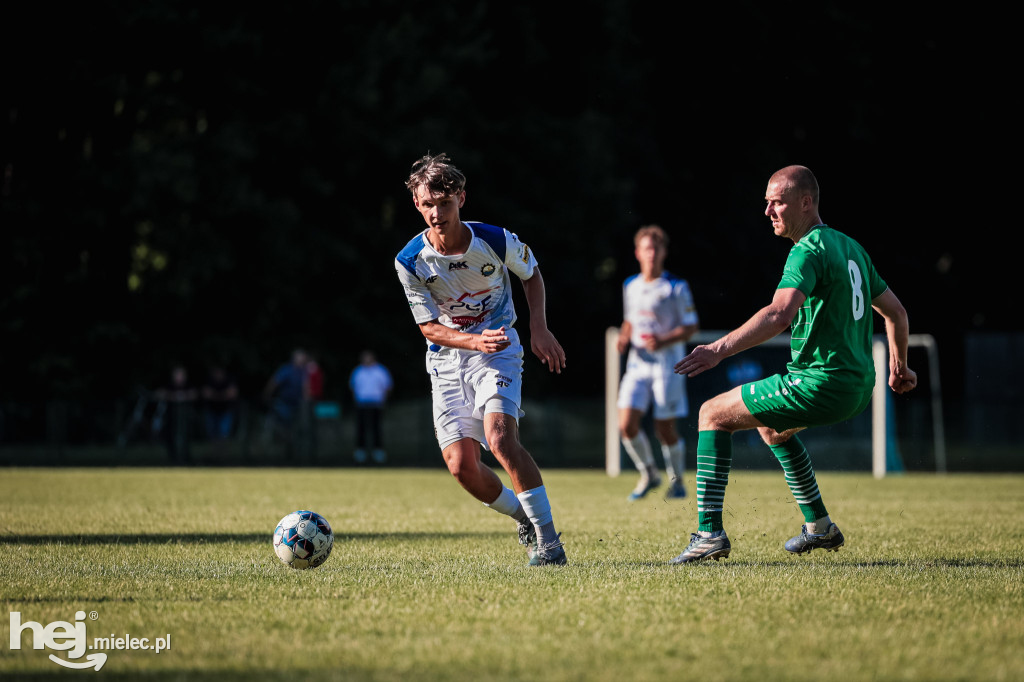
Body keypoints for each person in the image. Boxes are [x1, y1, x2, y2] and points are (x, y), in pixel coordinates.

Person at [669, 165, 917, 564]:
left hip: (821, 382)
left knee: (711, 414)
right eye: (766, 203)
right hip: (858, 387)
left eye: (777, 202)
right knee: (773, 430)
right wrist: (899, 367)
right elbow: (897, 313)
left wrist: (717, 350)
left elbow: (778, 315)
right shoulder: (851, 247)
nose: (768, 211)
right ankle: (819, 527)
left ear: (806, 202)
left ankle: (708, 533)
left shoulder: (808, 250)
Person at [394, 152, 569, 566]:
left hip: (500, 348)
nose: (437, 213)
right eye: (428, 205)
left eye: (445, 203)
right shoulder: (409, 261)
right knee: (461, 467)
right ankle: (522, 517)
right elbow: (428, 327)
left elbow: (532, 274)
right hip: (448, 359)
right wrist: (470, 342)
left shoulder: (494, 240)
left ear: (461, 199)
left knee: (501, 438)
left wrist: (538, 328)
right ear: (416, 205)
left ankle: (549, 543)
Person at [616, 225, 700, 501]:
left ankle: (677, 482)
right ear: (637, 253)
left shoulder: (675, 286)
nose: (651, 254)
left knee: (664, 427)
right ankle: (649, 473)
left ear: (663, 252)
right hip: (638, 364)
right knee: (626, 424)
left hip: (668, 363)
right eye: (646, 248)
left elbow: (690, 327)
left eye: (656, 248)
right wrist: (624, 337)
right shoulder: (631, 285)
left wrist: (662, 340)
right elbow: (630, 320)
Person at [262, 348, 311, 456]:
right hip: (284, 403)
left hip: (298, 405)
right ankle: (284, 445)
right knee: (285, 424)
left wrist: (307, 399)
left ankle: (292, 449)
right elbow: (274, 382)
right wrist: (267, 395)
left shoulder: (304, 371)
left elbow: (305, 387)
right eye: (300, 357)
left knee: (298, 428)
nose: (302, 360)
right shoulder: (286, 370)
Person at [349, 350, 393, 464]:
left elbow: (387, 387)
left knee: (376, 428)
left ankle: (378, 452)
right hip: (362, 404)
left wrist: (383, 400)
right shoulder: (358, 371)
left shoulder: (380, 371)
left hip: (376, 404)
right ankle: (360, 452)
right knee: (361, 428)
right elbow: (353, 387)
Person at [152, 364, 198, 464]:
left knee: (186, 437)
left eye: (181, 375)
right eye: (177, 375)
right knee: (170, 437)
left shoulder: (188, 385)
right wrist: (174, 396)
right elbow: (159, 393)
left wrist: (179, 396)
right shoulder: (169, 385)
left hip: (185, 418)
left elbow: (194, 394)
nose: (179, 377)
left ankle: (186, 458)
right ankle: (172, 459)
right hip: (170, 417)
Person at [200, 364, 239, 443]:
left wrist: (215, 395)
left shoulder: (229, 379)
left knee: (224, 432)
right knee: (212, 432)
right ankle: (213, 449)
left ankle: (222, 450)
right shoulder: (210, 380)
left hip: (225, 409)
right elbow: (205, 393)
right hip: (212, 409)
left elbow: (233, 393)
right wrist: (223, 395)